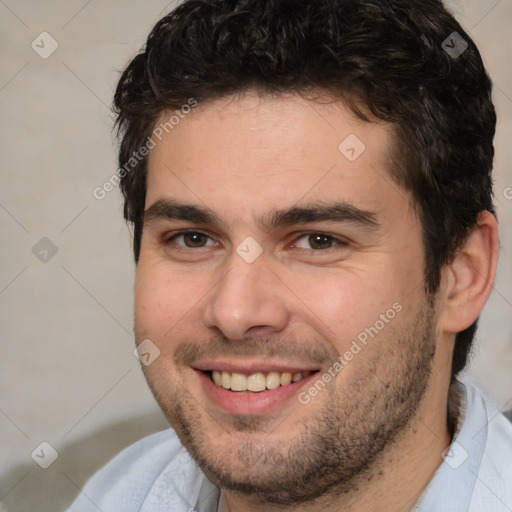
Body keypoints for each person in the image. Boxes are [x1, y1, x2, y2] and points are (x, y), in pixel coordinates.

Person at [67, 0, 512, 510]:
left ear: (462, 274)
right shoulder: (118, 494)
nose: (235, 313)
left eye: (317, 241)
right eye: (193, 238)